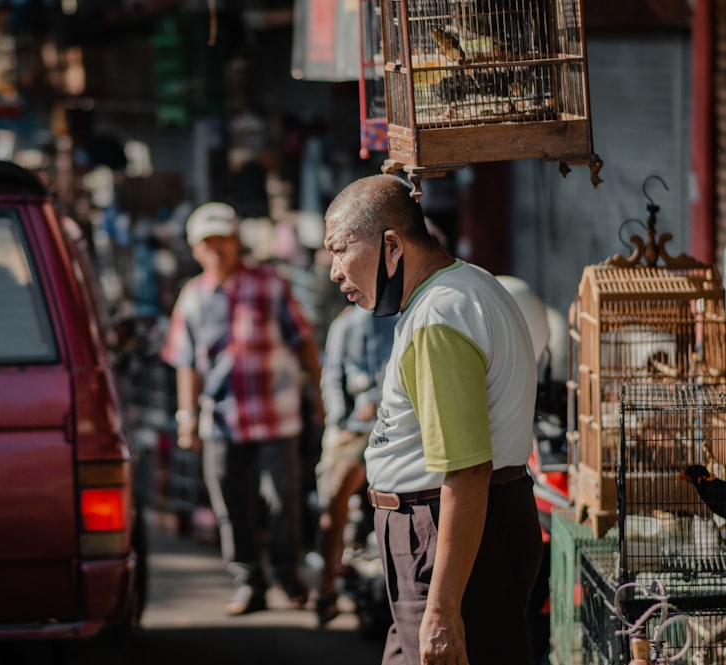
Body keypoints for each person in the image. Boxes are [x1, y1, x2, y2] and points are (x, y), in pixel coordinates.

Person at [322, 174, 542, 665]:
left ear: (392, 246)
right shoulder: (466, 285)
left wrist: (442, 610)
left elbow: (466, 470)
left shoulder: (440, 315)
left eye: (340, 249)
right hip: (455, 534)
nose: (335, 271)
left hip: (444, 538)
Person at [161, 201, 325, 616]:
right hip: (220, 421)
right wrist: (187, 420)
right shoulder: (193, 297)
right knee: (231, 508)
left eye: (222, 239)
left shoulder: (270, 283)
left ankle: (287, 577)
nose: (215, 248)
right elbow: (186, 365)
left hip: (276, 414)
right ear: (196, 249)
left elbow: (303, 340)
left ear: (236, 242)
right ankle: (248, 581)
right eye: (207, 242)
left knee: (280, 501)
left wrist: (321, 396)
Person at [315, 304, 396, 627]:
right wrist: (340, 419)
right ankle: (326, 584)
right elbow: (332, 378)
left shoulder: (406, 316)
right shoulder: (345, 326)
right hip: (355, 426)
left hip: (394, 426)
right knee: (333, 492)